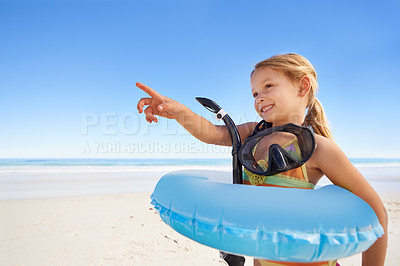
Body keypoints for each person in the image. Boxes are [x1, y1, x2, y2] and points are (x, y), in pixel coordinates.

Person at [136, 53, 388, 266]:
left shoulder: (316, 148)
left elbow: (375, 210)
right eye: (254, 93)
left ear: (302, 86)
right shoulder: (252, 133)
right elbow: (213, 133)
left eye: (268, 87)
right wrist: (178, 111)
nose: (259, 98)